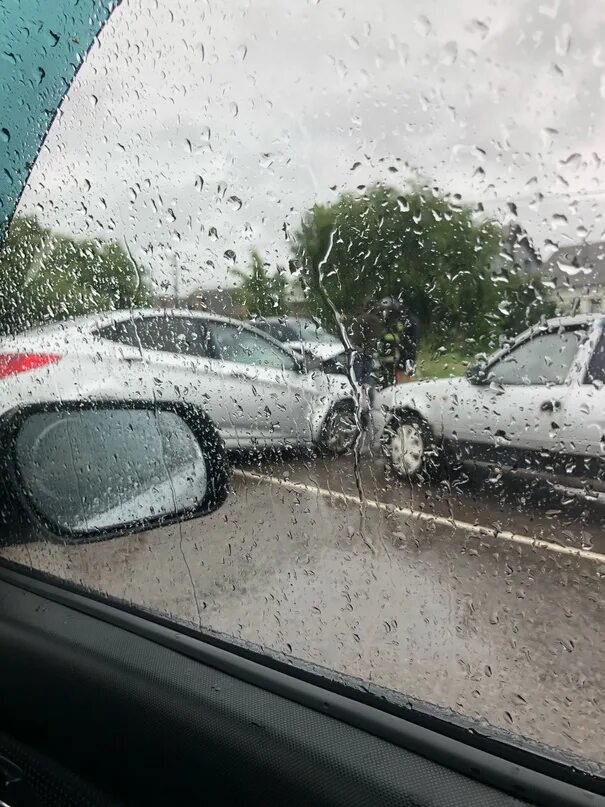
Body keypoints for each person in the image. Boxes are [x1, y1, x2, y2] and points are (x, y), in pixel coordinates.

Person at [375, 297, 419, 386]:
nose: (384, 313)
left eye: (387, 310)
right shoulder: (383, 324)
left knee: (397, 379)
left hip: (394, 358)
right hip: (385, 360)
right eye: (383, 310)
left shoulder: (398, 324)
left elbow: (402, 340)